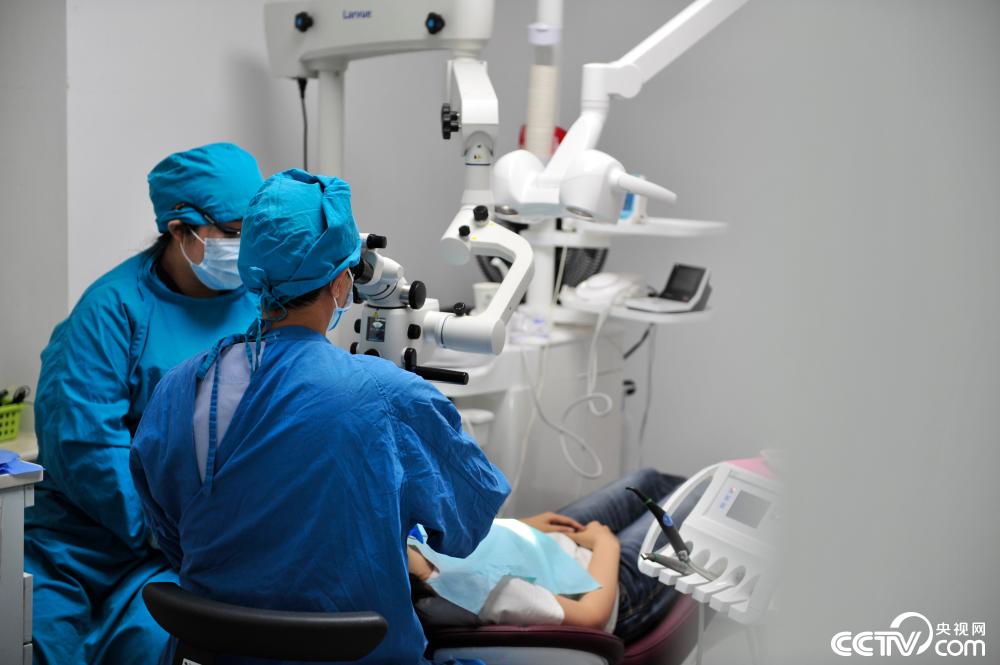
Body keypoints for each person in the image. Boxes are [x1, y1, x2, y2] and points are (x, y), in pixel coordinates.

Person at [129, 168, 510, 665]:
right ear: (342, 283)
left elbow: (172, 535)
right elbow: (465, 527)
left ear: (251, 270)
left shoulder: (180, 388)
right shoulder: (389, 396)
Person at [23, 142, 264, 665]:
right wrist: (163, 529)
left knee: (161, 642)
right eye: (234, 233)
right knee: (44, 642)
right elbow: (83, 443)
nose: (248, 247)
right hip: (80, 546)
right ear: (181, 231)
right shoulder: (111, 310)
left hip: (187, 551)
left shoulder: (260, 308)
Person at [409, 468, 705, 643]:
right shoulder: (474, 590)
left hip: (541, 547)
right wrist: (606, 544)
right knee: (700, 495)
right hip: (604, 588)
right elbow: (592, 617)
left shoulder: (405, 535)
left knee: (646, 479)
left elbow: (470, 544)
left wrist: (521, 525)